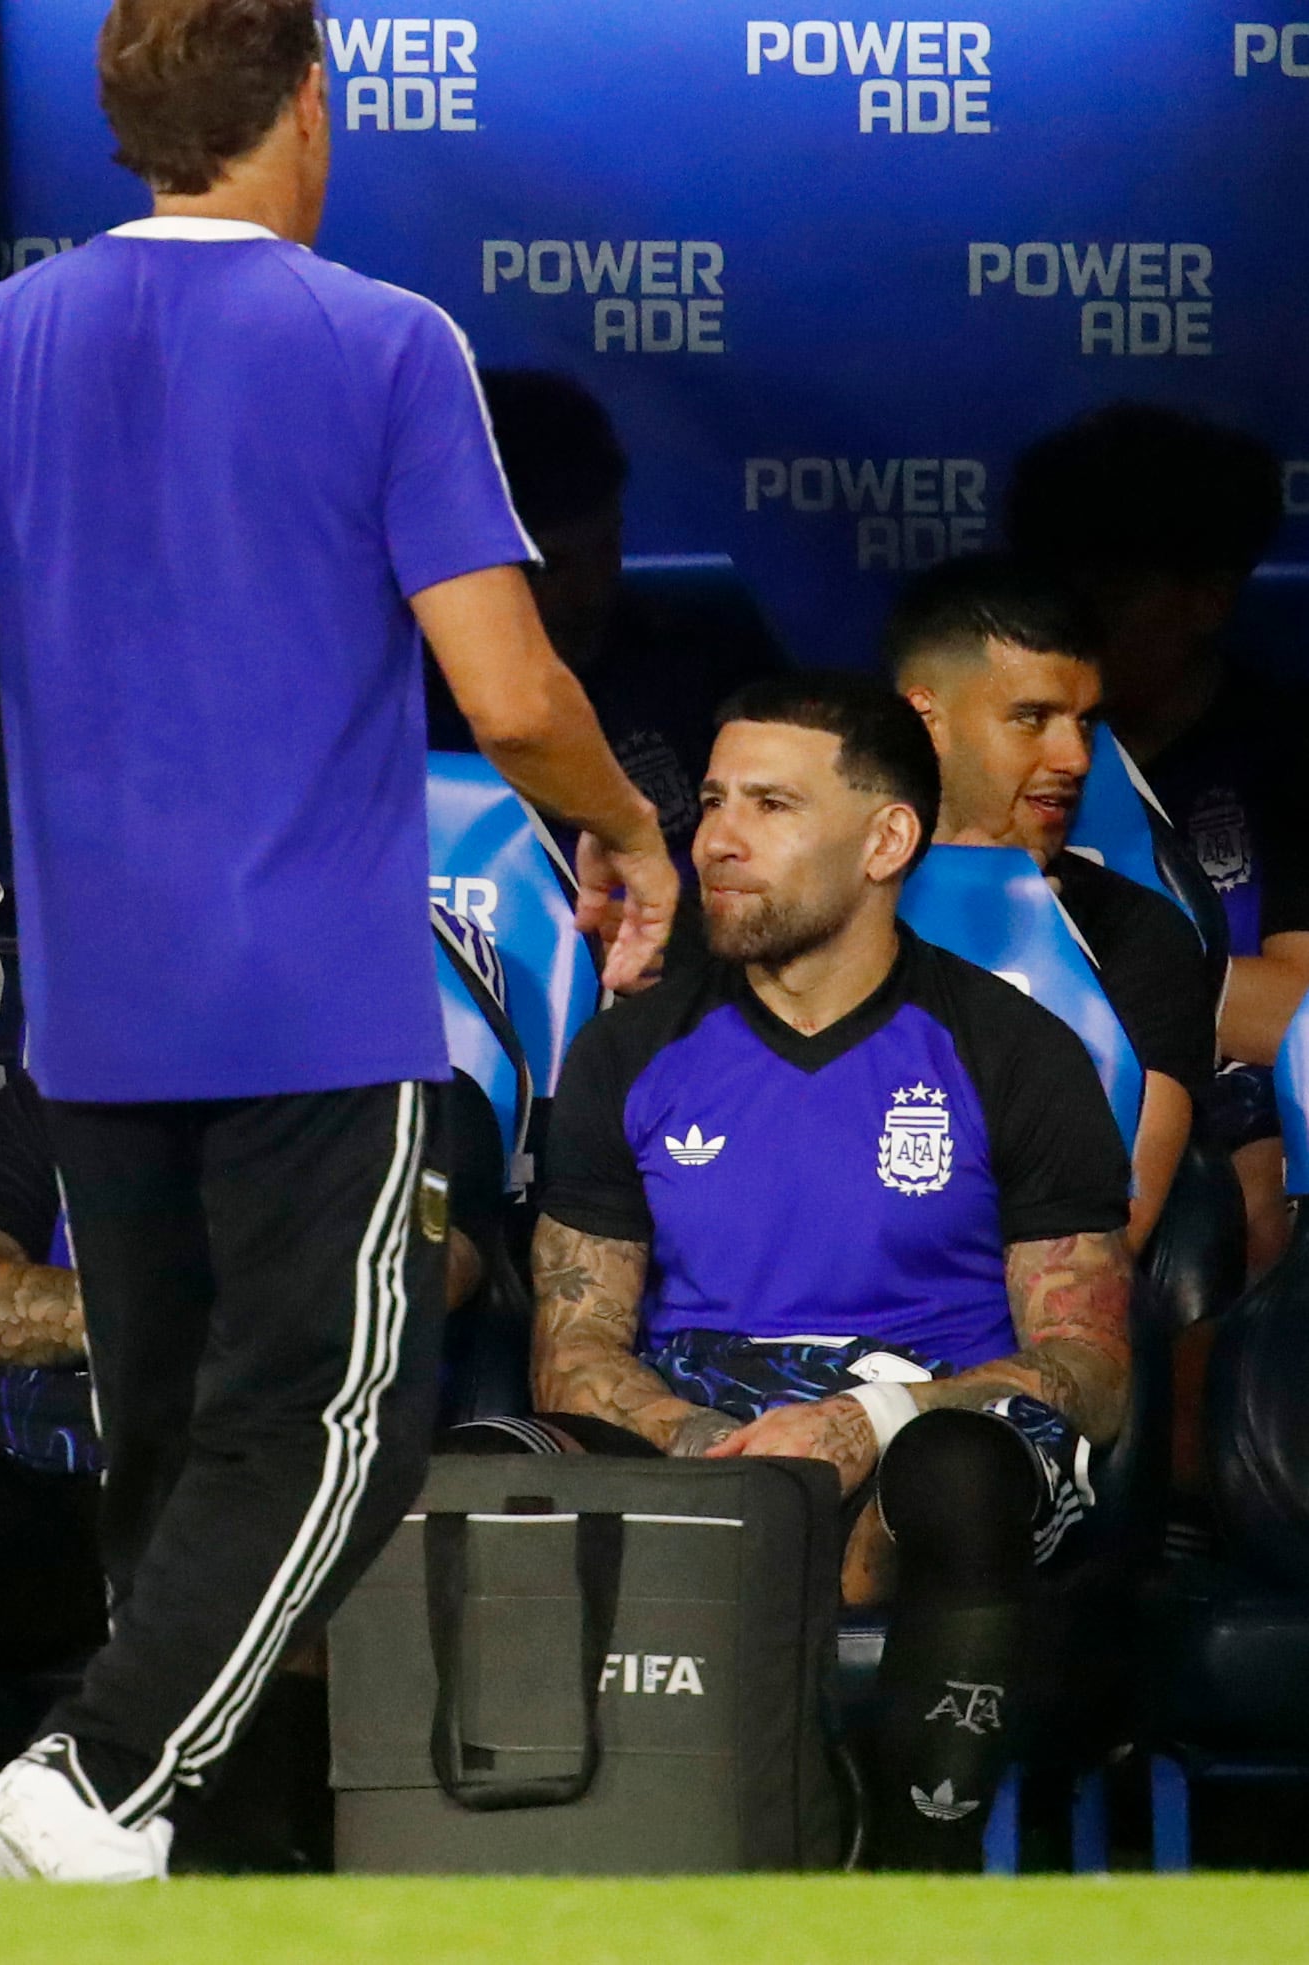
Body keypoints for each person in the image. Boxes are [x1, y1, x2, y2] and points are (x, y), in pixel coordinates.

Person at [0, 0, 676, 1882]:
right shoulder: (385, 340)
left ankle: (164, 1863)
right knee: (335, 1428)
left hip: (100, 1013)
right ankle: (96, 1777)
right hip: (312, 1004)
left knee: (166, 1442)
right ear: (310, 101)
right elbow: (510, 688)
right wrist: (625, 829)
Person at [0, 916, 518, 1874]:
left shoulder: (410, 1102)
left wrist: (81, 1307)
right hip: (39, 1496)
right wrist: (179, 1311)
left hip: (244, 1498)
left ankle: (239, 1893)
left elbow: (394, 1294)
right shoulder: (67, 1088)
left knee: (296, 1515)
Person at [497, 673, 1134, 1867]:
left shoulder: (1014, 1055)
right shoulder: (631, 1053)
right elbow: (574, 1350)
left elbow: (1090, 1371)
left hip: (922, 1449)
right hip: (701, 1448)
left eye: (772, 805)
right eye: (713, 802)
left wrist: (863, 1422)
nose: (717, 840)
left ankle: (914, 1878)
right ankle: (524, 1885)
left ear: (886, 841)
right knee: (491, 1463)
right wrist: (718, 1454)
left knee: (959, 1470)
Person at [1008, 406, 1308, 1270]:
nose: (1070, 627)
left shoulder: (1288, 753)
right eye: (1053, 592)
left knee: (1252, 1207)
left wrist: (1080, 973)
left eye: (1104, 595)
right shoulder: (977, 749)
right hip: (1025, 1097)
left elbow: (1298, 1011)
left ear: (1209, 597)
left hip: (1238, 1119)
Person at [887, 552, 1216, 1252]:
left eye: (1086, 722)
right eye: (1032, 718)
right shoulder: (812, 912)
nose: (1076, 758)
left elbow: (1117, 1229)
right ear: (925, 722)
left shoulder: (1140, 935)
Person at [423, 369, 790, 861]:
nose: (589, 591)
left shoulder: (704, 655)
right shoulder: (394, 704)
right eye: (549, 567)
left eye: (605, 546)